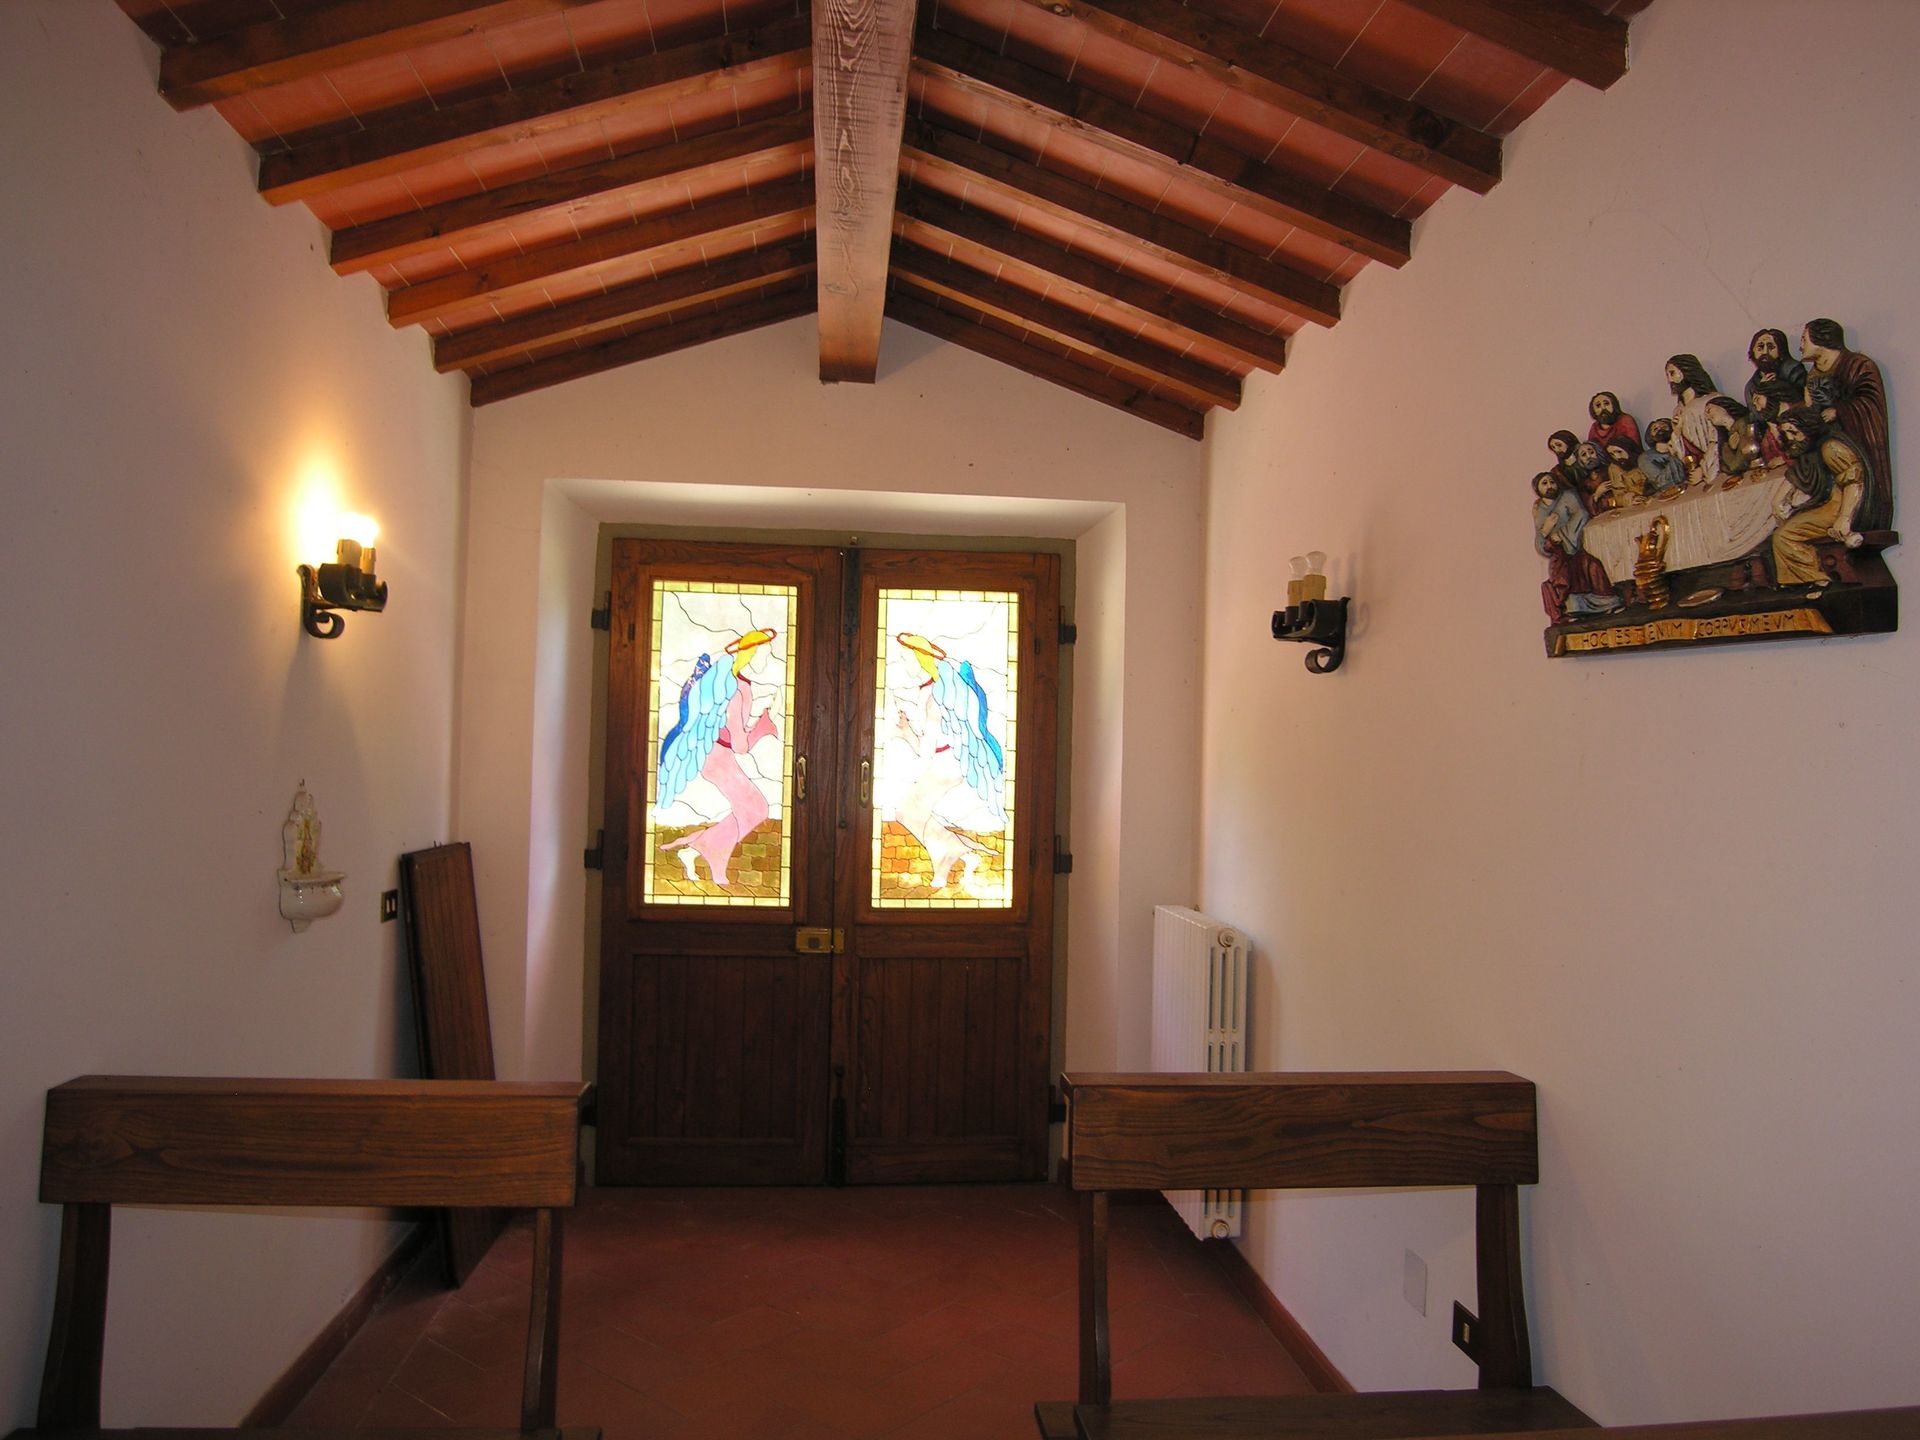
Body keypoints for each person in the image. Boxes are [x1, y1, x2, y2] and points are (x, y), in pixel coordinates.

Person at [655, 628, 780, 889]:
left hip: (717, 756)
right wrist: (764, 725)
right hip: (717, 758)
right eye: (764, 653)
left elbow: (733, 734)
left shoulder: (733, 683)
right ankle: (709, 852)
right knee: (756, 808)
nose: (768, 659)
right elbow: (741, 745)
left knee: (753, 808)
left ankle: (699, 848)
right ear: (751, 654)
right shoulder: (736, 690)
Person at [1799, 318, 1891, 529]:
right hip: (1827, 452)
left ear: (1821, 339)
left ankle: (1853, 514)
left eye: (1804, 339)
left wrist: (1839, 410)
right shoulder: (1812, 375)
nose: (1800, 346)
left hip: (1855, 444)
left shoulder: (1858, 365)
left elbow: (1871, 402)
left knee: (1834, 452)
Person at [1771, 408, 1871, 587]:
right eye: (1786, 434)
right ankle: (1802, 582)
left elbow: (1854, 481)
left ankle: (1816, 579)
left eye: (1793, 432)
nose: (1790, 438)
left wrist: (1844, 518)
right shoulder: (1809, 451)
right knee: (1782, 533)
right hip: (1830, 505)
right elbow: (1796, 475)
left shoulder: (1830, 447)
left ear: (1809, 428)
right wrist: (1777, 500)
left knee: (1784, 536)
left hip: (1842, 505)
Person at [1534, 471, 1623, 622]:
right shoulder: (1539, 510)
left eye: (1552, 482)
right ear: (1537, 488)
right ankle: (1577, 609)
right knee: (1565, 579)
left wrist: (1561, 535)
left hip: (1575, 547)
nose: (1550, 486)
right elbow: (1540, 544)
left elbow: (1581, 515)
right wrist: (1545, 531)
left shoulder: (1568, 496)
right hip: (1560, 555)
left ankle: (1607, 603)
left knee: (1592, 567)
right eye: (1545, 483)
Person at [1665, 353, 1731, 486]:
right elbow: (1680, 452)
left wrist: (1703, 469)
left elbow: (1717, 440)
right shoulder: (1678, 411)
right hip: (1694, 472)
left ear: (1686, 371)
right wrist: (1676, 433)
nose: (1669, 380)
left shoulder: (1712, 401)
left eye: (1672, 373)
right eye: (1667, 375)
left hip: (1715, 467)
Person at [1743, 327, 1807, 408]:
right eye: (1760, 347)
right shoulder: (1751, 387)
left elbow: (1802, 403)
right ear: (1753, 352)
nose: (1765, 352)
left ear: (1781, 350)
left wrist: (1775, 386)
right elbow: (1755, 414)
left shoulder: (1794, 370)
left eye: (1771, 347)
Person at [1640, 417, 1687, 495]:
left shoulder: (1681, 445)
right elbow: (1662, 482)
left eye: (1664, 426)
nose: (1660, 429)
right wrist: (1673, 456)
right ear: (1650, 436)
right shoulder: (1646, 458)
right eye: (1655, 429)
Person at [1602, 434, 1652, 506]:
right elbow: (1618, 496)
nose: (1617, 457)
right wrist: (1630, 499)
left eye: (1619, 452)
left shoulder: (1643, 459)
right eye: (1612, 454)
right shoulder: (1614, 468)